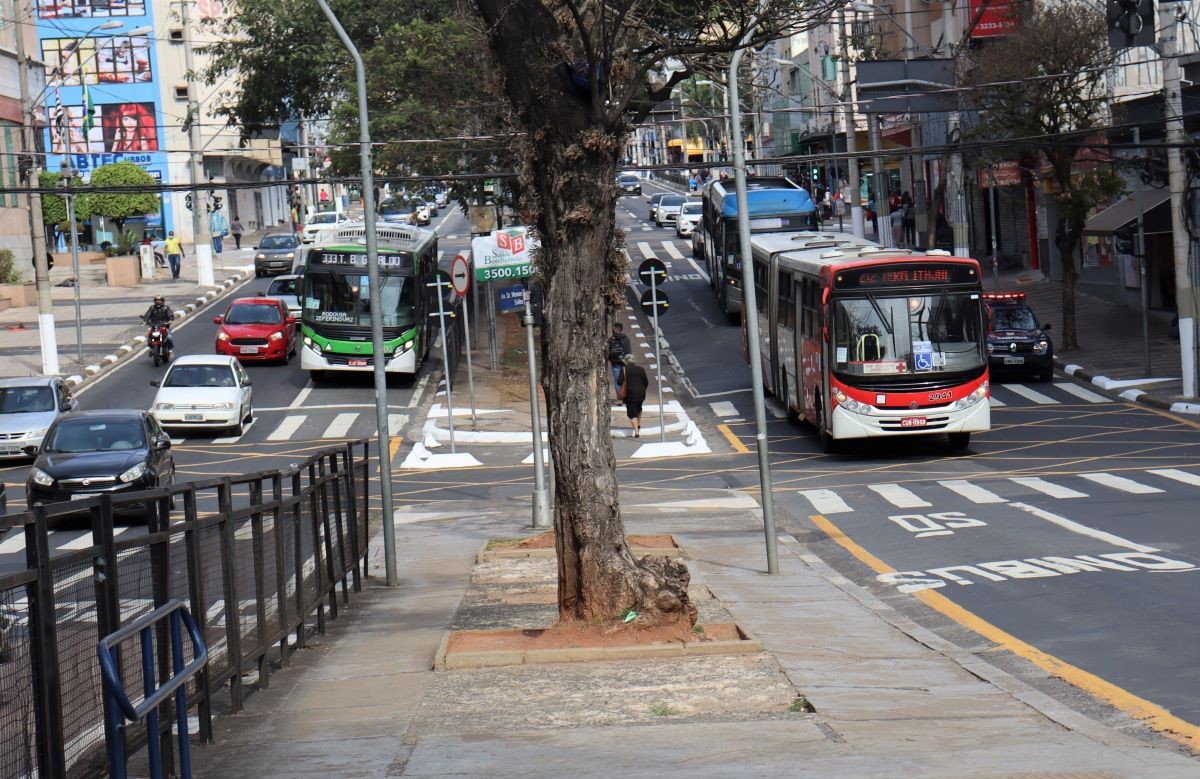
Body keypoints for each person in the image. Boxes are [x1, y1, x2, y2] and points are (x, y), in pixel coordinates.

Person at [620, 354, 650, 438]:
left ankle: (636, 432)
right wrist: (642, 389)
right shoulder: (641, 369)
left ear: (625, 361)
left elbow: (619, 381)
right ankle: (639, 424)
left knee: (631, 413)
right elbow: (646, 382)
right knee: (639, 408)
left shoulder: (624, 370)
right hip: (641, 393)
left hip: (629, 394)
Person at [607, 322, 632, 403]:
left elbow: (608, 352)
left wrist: (610, 359)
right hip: (625, 362)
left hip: (615, 363)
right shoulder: (626, 339)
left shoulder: (611, 340)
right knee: (626, 380)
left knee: (618, 381)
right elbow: (629, 351)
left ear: (614, 330)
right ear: (622, 329)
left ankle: (620, 399)